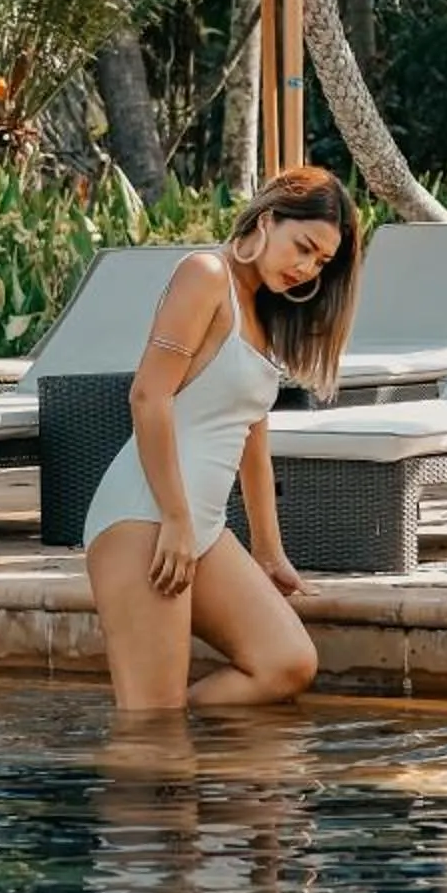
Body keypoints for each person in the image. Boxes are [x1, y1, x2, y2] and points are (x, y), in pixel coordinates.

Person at [84, 169, 362, 713]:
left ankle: (151, 758)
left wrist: (268, 548)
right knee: (154, 724)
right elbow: (148, 396)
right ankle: (145, 757)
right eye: (303, 247)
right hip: (146, 516)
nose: (306, 268)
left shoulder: (261, 312)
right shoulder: (205, 274)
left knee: (285, 662)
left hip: (199, 527)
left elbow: (252, 434)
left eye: (321, 263)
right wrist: (175, 518)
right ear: (267, 220)